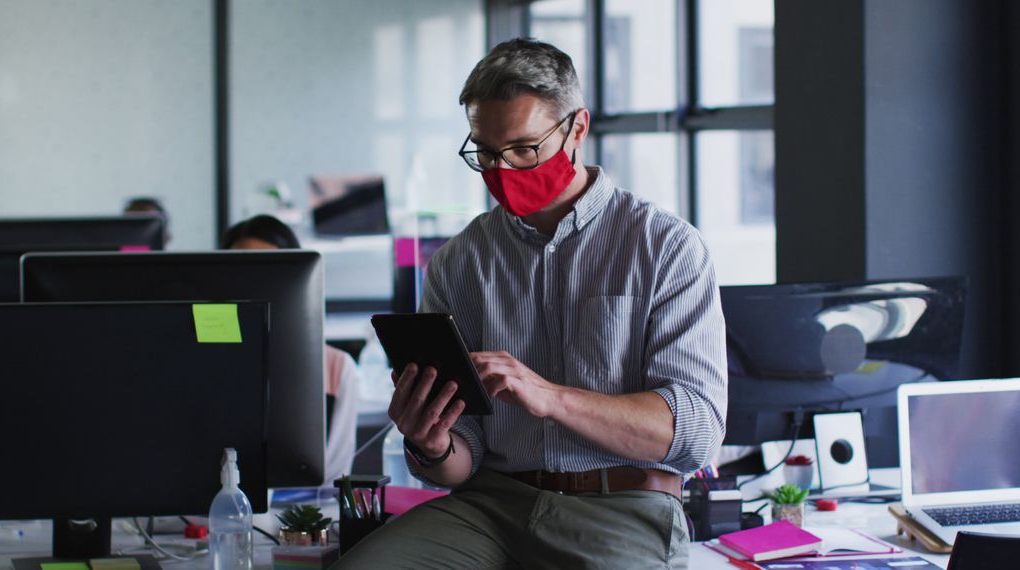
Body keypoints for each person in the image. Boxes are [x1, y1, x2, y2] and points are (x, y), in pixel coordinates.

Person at [336, 38, 727, 569]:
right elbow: (459, 458)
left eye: (523, 149)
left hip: (621, 507)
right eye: (487, 153)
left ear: (577, 130)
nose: (503, 170)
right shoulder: (458, 262)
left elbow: (697, 431)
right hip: (489, 506)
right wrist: (432, 445)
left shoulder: (665, 248)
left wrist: (552, 398)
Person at [222, 214, 359, 486]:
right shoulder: (202, 358)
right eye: (241, 270)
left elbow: (331, 479)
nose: (252, 283)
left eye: (267, 271)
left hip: (299, 518)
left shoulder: (334, 368)